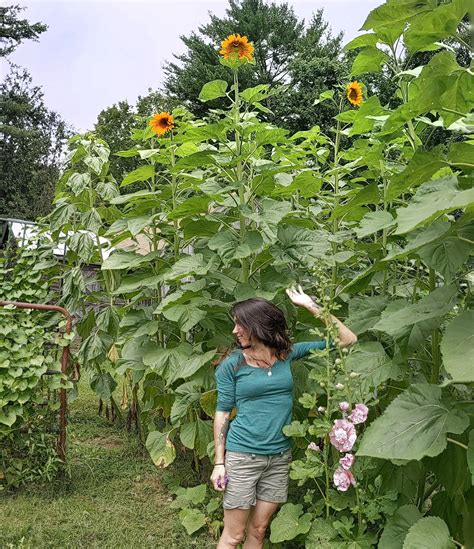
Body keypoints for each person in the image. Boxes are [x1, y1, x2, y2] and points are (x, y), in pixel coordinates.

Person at [210, 285, 358, 549]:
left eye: (240, 324)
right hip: (243, 456)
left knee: (259, 529)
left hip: (279, 457)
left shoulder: (286, 355)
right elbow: (222, 412)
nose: (234, 331)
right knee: (233, 536)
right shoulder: (232, 365)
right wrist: (219, 463)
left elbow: (347, 339)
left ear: (259, 326)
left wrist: (311, 306)